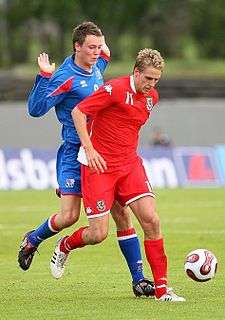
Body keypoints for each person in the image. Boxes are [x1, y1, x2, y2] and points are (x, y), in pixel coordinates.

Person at [17, 21, 154, 297]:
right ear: (76, 47)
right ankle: (33, 239)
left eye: (98, 46)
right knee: (68, 216)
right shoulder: (66, 76)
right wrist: (44, 76)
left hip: (102, 153)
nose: (96, 51)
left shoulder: (97, 65)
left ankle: (139, 280)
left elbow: (105, 55)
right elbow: (35, 109)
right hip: (74, 152)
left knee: (121, 213)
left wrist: (103, 45)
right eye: (90, 47)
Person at [51, 48, 186, 302]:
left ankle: (162, 290)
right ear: (136, 72)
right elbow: (78, 112)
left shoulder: (151, 98)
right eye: (148, 78)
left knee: (152, 220)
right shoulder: (114, 89)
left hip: (129, 165)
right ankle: (65, 245)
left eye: (156, 79)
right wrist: (89, 150)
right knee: (98, 233)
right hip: (99, 167)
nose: (151, 84)